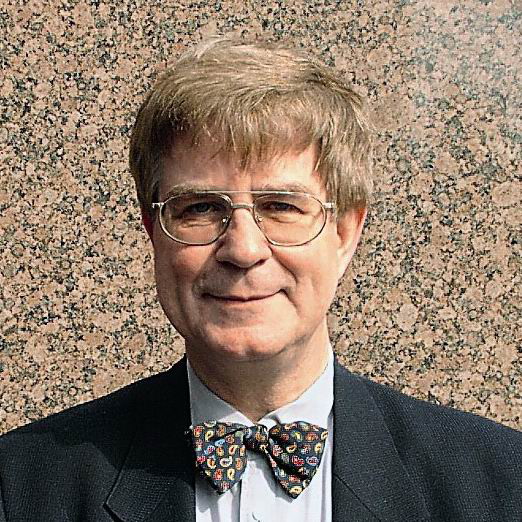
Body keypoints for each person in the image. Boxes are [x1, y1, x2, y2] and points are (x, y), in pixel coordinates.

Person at [0, 37, 520, 522]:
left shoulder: (501, 483)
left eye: (281, 206)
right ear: (153, 231)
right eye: (200, 208)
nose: (244, 250)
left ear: (345, 233)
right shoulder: (23, 487)